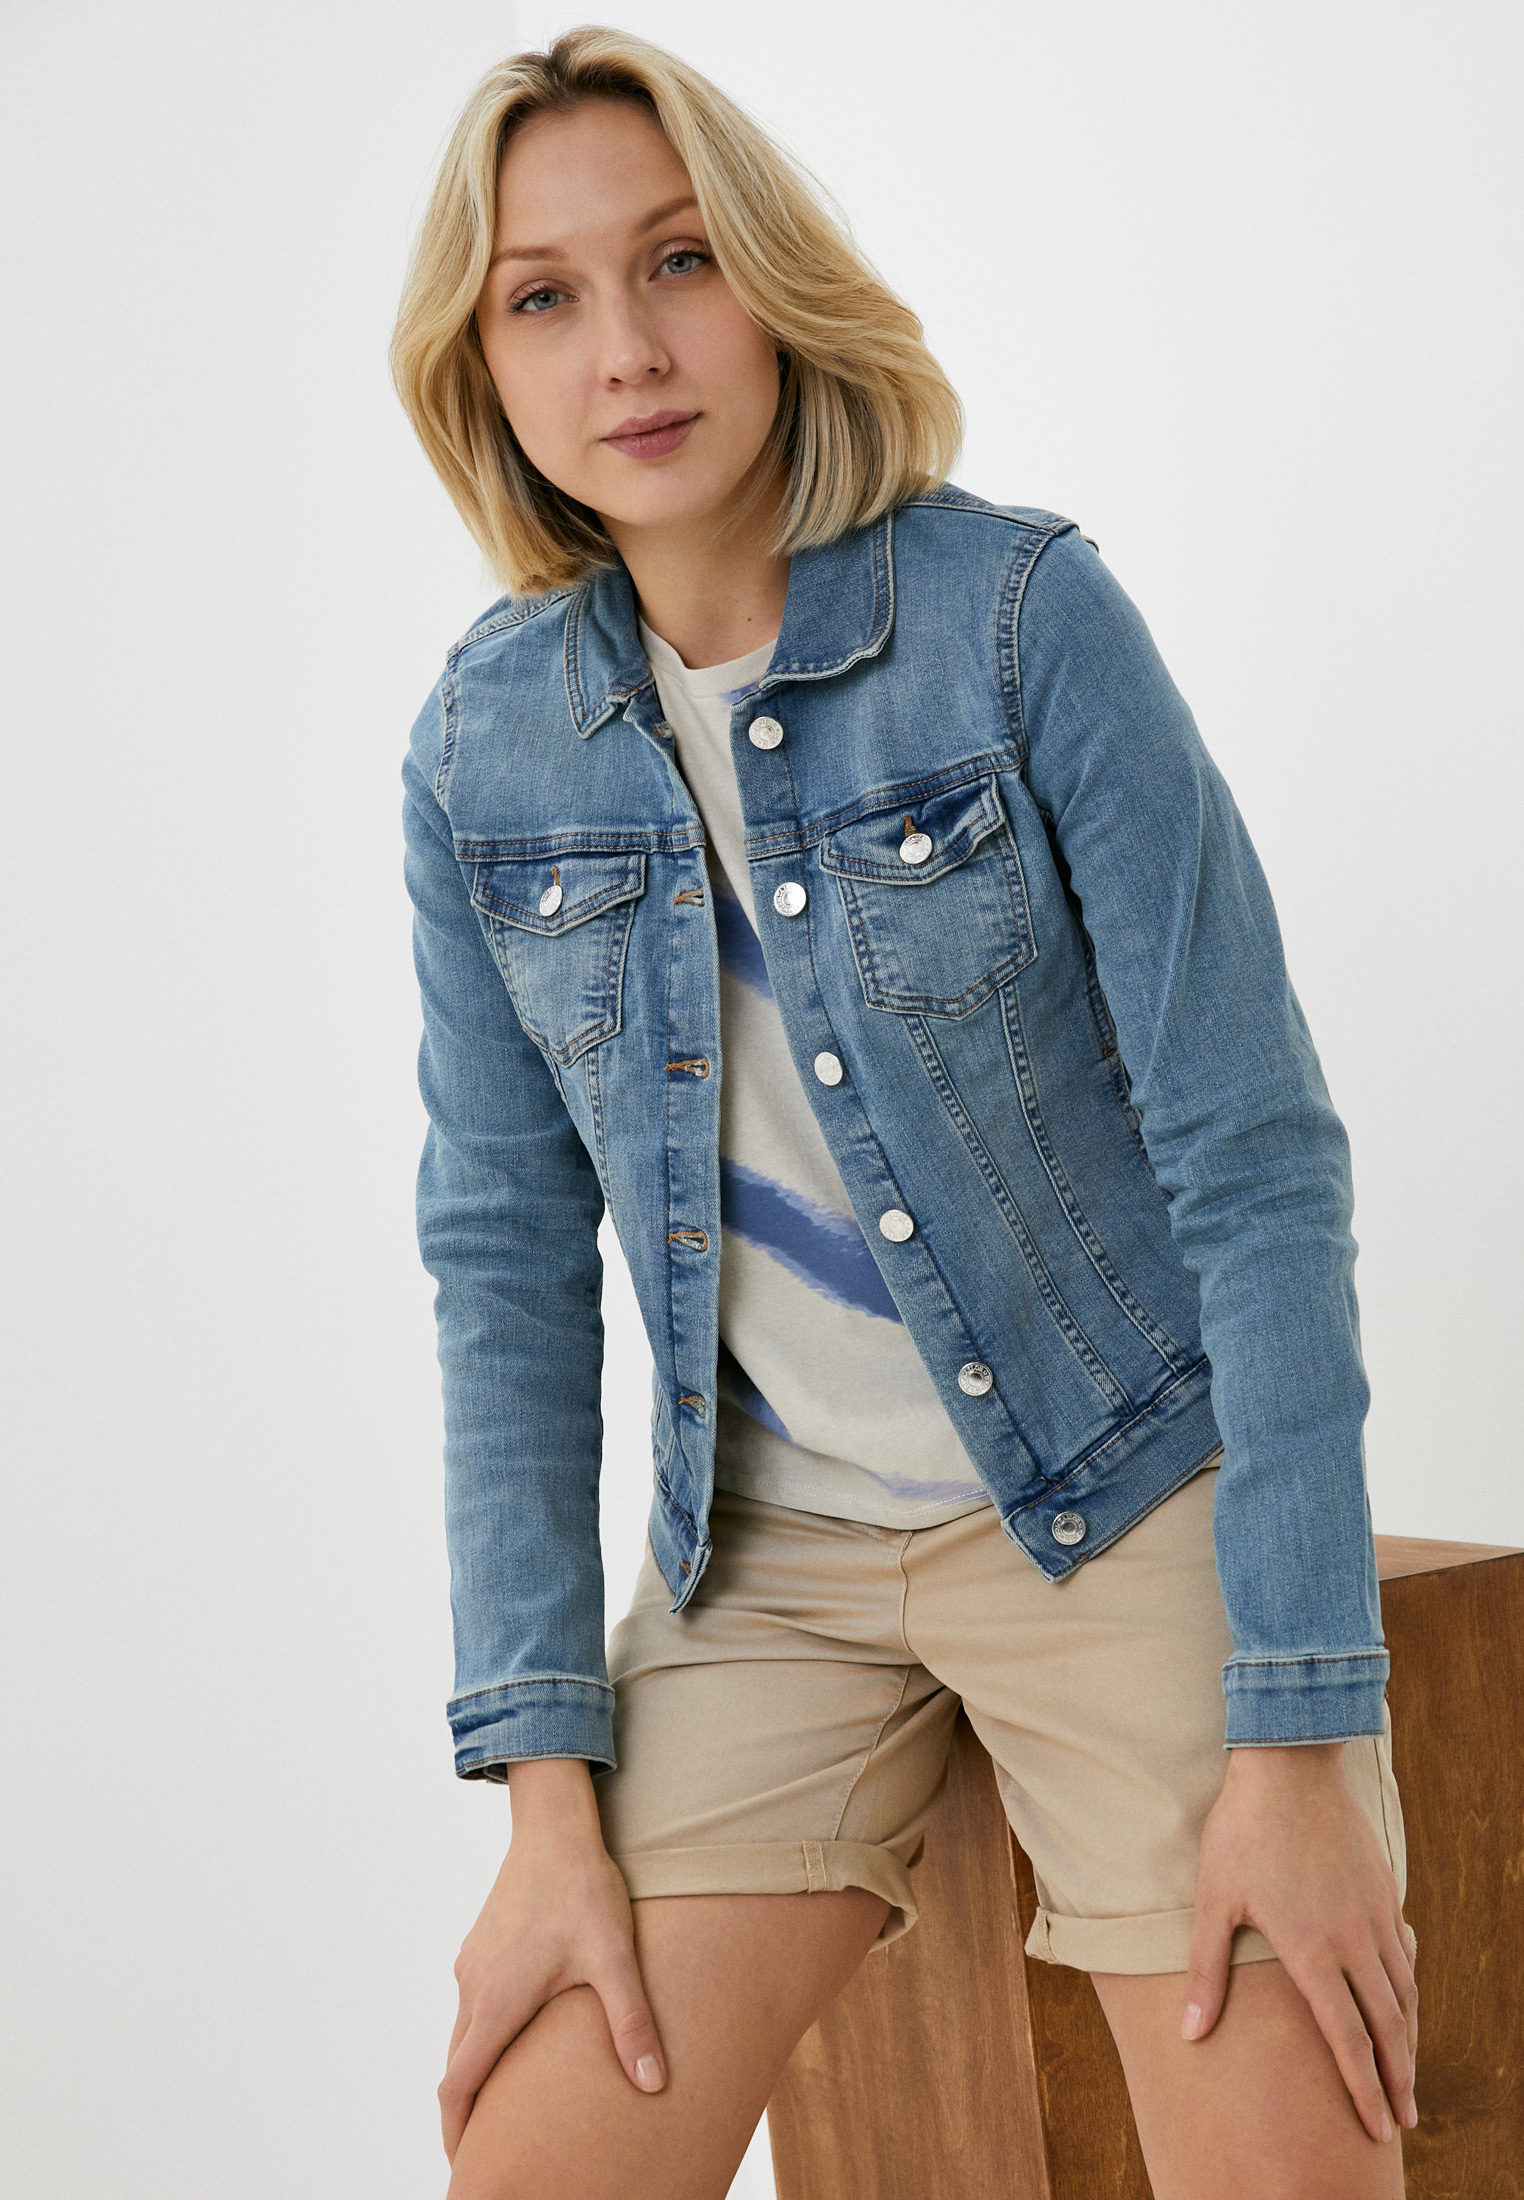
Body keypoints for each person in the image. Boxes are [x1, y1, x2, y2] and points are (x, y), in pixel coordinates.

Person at [391, 29, 1417, 2199]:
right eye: (544, 297)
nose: (627, 348)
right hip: (763, 1563)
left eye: (679, 260)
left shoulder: (1018, 619)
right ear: (482, 369)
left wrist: (1302, 1725)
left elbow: (1256, 1158)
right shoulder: (485, 750)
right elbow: (504, 1274)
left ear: (772, 280)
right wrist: (545, 1802)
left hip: (1118, 1493)